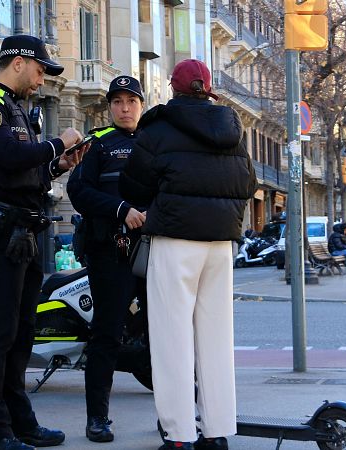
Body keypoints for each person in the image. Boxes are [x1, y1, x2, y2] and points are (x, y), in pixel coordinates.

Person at [119, 58, 257, 450]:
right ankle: (217, 432)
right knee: (215, 339)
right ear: (207, 89)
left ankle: (179, 435)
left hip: (175, 240)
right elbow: (248, 182)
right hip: (219, 245)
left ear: (174, 90)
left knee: (171, 341)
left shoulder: (158, 128)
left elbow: (135, 185)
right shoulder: (231, 127)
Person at [0, 34, 88, 450]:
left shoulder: (17, 106)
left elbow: (24, 172)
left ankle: (20, 423)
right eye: (39, 71)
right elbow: (10, 159)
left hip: (26, 233)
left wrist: (57, 164)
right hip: (2, 234)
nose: (41, 81)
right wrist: (59, 142)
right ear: (18, 63)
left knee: (21, 334)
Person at [66, 75, 147, 443]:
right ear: (110, 107)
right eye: (117, 102)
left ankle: (176, 417)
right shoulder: (97, 143)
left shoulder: (156, 140)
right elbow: (78, 189)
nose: (124, 108)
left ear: (141, 105)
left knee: (165, 334)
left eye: (131, 101)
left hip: (154, 251)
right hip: (111, 252)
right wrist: (120, 209)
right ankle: (97, 418)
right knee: (106, 334)